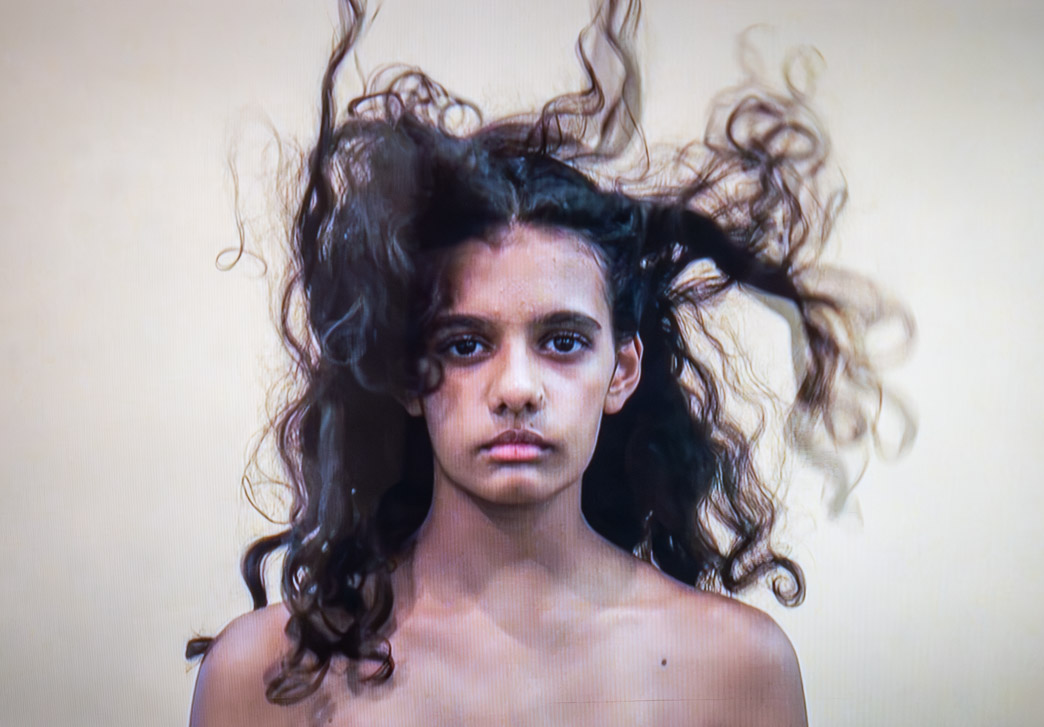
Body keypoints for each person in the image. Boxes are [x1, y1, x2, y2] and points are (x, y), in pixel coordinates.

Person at [186, 0, 908, 724]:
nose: (517, 388)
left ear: (622, 370)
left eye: (562, 341)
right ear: (406, 374)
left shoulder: (737, 668)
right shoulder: (268, 674)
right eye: (465, 345)